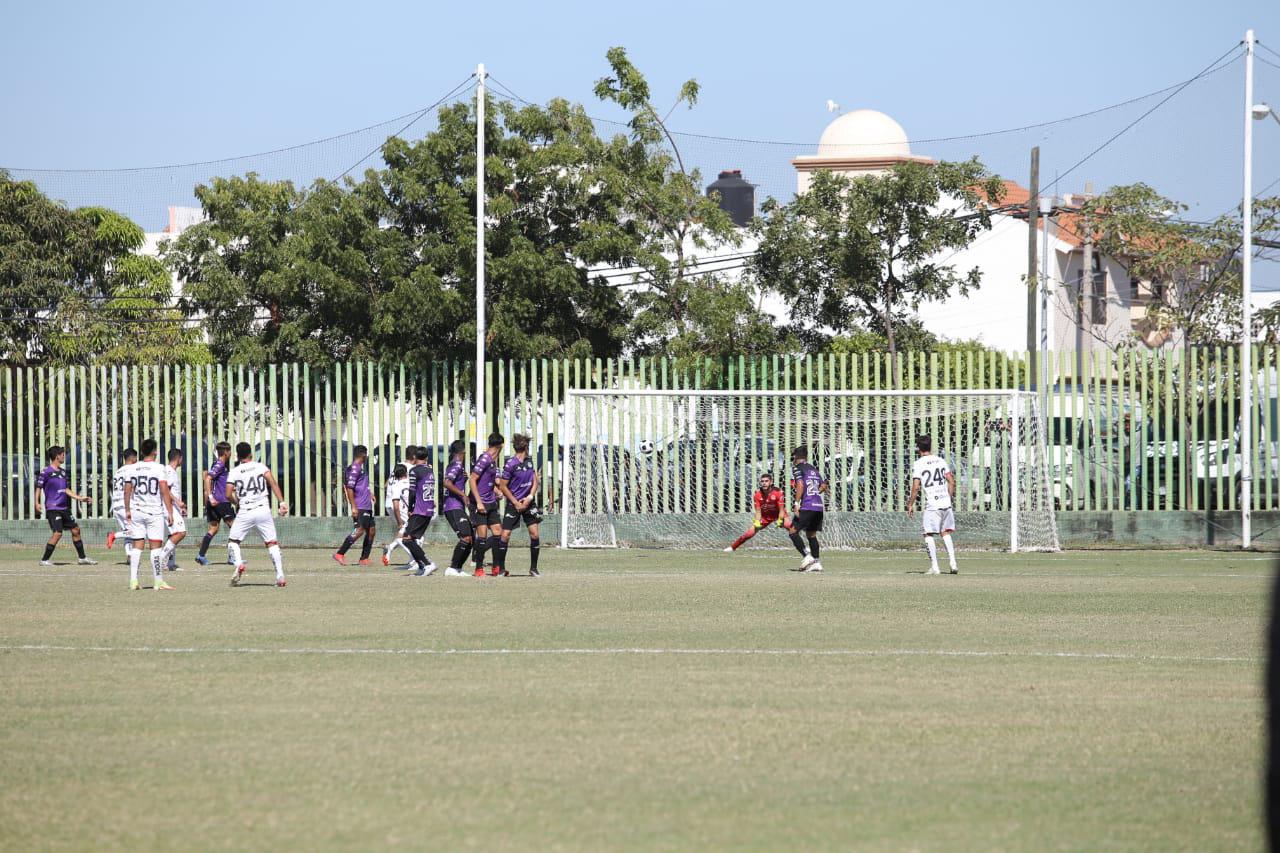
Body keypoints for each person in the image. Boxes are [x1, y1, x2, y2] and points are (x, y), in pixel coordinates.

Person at [226, 442, 290, 587]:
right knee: (272, 543)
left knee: (233, 542)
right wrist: (282, 502)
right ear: (251, 454)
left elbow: (228, 493)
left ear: (237, 455)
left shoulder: (235, 471)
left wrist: (236, 501)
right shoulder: (260, 467)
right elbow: (273, 483)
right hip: (263, 509)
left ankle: (238, 563)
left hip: (245, 510)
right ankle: (280, 575)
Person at [123, 438, 175, 590]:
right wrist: (170, 512)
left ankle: (133, 581)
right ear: (155, 452)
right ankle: (158, 581)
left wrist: (127, 509)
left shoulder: (132, 468)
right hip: (154, 512)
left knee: (137, 546)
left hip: (137, 511)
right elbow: (164, 490)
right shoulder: (159, 468)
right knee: (155, 547)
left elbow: (127, 490)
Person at [35, 445, 96, 566]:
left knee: (76, 530)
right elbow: (38, 487)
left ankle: (82, 558)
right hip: (53, 508)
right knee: (58, 533)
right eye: (63, 454)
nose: (64, 456)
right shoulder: (46, 472)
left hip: (64, 508)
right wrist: (36, 503)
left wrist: (80, 498)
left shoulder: (63, 472)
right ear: (57, 456)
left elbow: (65, 489)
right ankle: (44, 560)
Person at [907, 434, 958, 575]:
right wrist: (948, 497)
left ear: (918, 448)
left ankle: (935, 567)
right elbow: (951, 481)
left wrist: (910, 504)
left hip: (933, 503)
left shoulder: (918, 464)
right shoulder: (941, 460)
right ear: (931, 446)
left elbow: (916, 487)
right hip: (945, 502)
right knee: (945, 532)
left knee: (928, 533)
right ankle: (953, 563)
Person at [494, 433, 542, 577]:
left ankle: (533, 568)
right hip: (514, 504)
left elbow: (535, 482)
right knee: (505, 534)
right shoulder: (510, 464)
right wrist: (515, 502)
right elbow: (503, 486)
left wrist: (529, 498)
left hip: (528, 503)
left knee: (534, 534)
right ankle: (501, 568)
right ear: (526, 447)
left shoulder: (529, 462)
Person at [723, 472, 798, 554]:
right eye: (762, 481)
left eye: (766, 481)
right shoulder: (757, 494)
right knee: (748, 534)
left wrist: (780, 519)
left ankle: (803, 547)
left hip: (779, 514)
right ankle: (733, 547)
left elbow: (781, 509)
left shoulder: (778, 492)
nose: (764, 483)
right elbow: (758, 511)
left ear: (771, 482)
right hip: (765, 516)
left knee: (791, 528)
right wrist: (757, 521)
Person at [468, 433, 505, 577]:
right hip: (480, 504)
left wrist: (496, 492)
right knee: (482, 536)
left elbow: (487, 483)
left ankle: (496, 567)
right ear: (501, 446)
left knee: (498, 532)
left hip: (491, 503)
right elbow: (472, 480)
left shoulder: (493, 461)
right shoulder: (484, 458)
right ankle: (478, 568)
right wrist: (478, 502)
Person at [334, 445, 375, 566]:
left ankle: (364, 558)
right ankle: (340, 553)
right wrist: (354, 506)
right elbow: (350, 488)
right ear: (363, 455)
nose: (367, 457)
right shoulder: (354, 468)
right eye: (366, 454)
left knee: (371, 530)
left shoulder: (360, 468)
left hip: (366, 504)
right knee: (359, 531)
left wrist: (370, 493)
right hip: (360, 505)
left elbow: (360, 484)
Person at [789, 445, 828, 573]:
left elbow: (800, 485)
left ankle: (807, 556)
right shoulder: (813, 469)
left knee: (793, 531)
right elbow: (823, 486)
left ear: (796, 456)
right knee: (811, 534)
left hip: (807, 505)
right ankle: (817, 563)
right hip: (818, 506)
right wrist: (816, 491)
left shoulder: (797, 469)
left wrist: (796, 503)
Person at [195, 442, 235, 566]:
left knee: (213, 529)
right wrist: (211, 497)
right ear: (226, 452)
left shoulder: (219, 465)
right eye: (230, 451)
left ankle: (201, 555)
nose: (231, 453)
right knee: (235, 528)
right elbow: (207, 478)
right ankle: (232, 557)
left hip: (214, 502)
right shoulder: (220, 464)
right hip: (221, 501)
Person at [441, 440, 476, 577]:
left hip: (457, 506)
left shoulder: (456, 467)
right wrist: (463, 495)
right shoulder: (456, 465)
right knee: (466, 537)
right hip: (452, 506)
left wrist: (463, 479)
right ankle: (452, 568)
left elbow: (453, 481)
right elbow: (447, 483)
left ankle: (458, 569)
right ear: (462, 452)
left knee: (471, 538)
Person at [403, 446, 439, 577]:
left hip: (419, 510)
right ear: (426, 458)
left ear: (414, 457)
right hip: (428, 510)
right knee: (410, 539)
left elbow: (412, 491)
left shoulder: (414, 471)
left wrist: (410, 508)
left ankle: (427, 564)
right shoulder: (430, 470)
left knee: (406, 539)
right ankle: (422, 566)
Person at [105, 447, 138, 562]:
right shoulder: (133, 469)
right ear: (133, 458)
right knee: (135, 531)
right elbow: (131, 487)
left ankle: (129, 557)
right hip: (127, 504)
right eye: (136, 457)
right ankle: (114, 535)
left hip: (116, 505)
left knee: (128, 531)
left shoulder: (118, 471)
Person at [159, 448, 187, 571]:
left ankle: (170, 564)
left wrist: (180, 507)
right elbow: (166, 490)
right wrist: (177, 502)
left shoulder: (171, 471)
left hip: (173, 507)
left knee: (173, 534)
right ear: (179, 458)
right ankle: (160, 558)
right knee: (181, 532)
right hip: (168, 507)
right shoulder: (169, 471)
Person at [381, 464, 412, 568]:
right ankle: (415, 559)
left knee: (405, 529)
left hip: (390, 504)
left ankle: (390, 547)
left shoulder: (393, 477)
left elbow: (385, 486)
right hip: (399, 506)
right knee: (410, 531)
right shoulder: (407, 481)